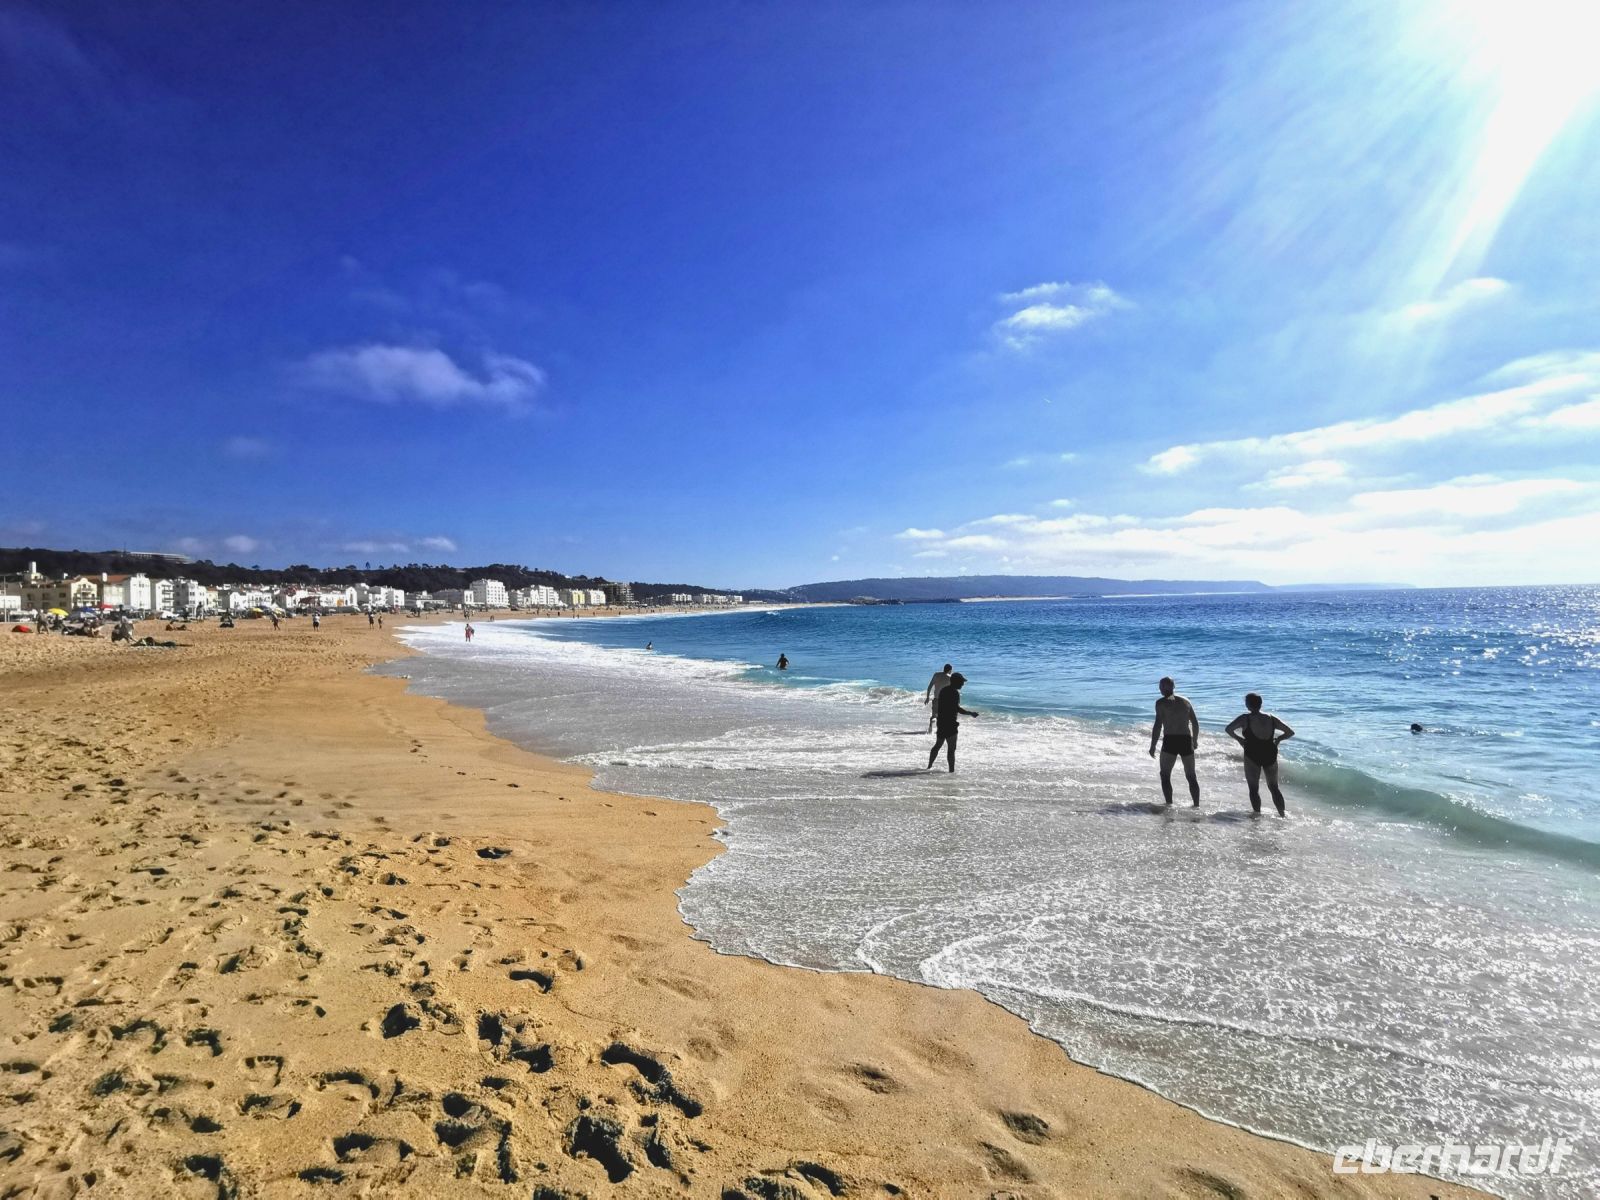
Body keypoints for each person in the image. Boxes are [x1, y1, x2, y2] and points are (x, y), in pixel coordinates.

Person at [1225, 693, 1295, 815]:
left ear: (1247, 705)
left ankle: (1257, 815)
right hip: (1270, 754)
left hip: (1252, 754)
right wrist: (1278, 739)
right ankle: (1282, 815)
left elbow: (1228, 729)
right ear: (1260, 704)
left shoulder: (1244, 718)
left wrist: (1240, 739)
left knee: (1253, 788)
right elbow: (1289, 732)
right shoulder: (1272, 718)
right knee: (1274, 788)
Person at [1148, 676, 1201, 806]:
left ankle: (1169, 804)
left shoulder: (1160, 703)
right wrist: (1194, 740)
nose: (1159, 689)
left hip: (1170, 740)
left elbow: (1157, 725)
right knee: (1191, 776)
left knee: (1165, 775)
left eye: (1160, 686)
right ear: (1174, 687)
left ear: (1163, 688)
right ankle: (1196, 805)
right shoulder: (1186, 701)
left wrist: (1153, 745)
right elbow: (1195, 723)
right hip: (1185, 740)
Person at [927, 672, 978, 772]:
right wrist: (970, 713)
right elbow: (957, 709)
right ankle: (951, 772)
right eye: (962, 682)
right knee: (951, 750)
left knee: (937, 745)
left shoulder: (943, 690)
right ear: (956, 682)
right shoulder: (955, 693)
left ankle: (929, 766)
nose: (963, 684)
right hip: (950, 724)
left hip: (941, 722)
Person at [924, 663, 953, 733]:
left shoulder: (936, 675)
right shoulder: (950, 678)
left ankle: (931, 727)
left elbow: (930, 686)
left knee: (934, 715)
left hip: (936, 699)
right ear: (950, 670)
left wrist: (927, 697)